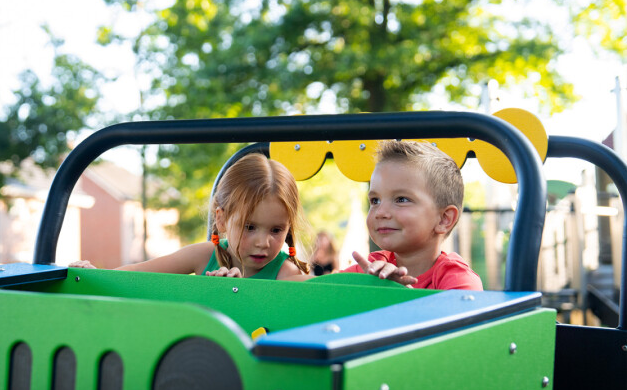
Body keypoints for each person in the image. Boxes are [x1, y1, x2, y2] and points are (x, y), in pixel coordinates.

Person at [69, 153, 310, 279]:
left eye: (276, 230)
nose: (263, 242)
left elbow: (325, 296)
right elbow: (135, 275)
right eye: (249, 227)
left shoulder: (287, 275)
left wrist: (238, 294)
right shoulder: (204, 255)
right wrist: (93, 275)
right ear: (221, 219)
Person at [338, 139, 483, 290]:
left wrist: (401, 295)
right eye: (375, 200)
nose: (380, 212)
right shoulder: (370, 269)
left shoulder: (457, 280)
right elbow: (323, 293)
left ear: (444, 219)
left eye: (401, 199)